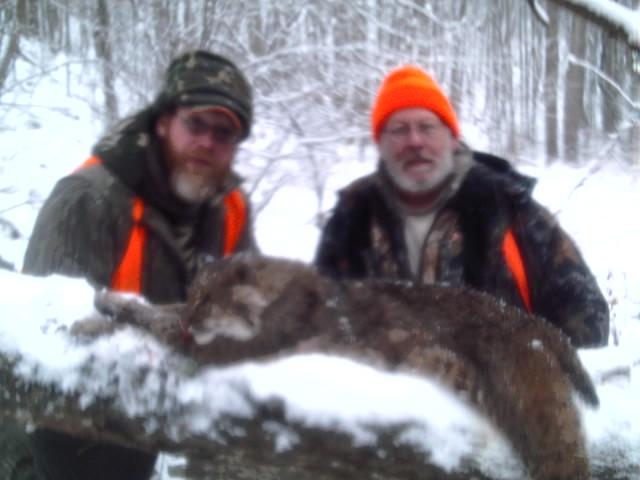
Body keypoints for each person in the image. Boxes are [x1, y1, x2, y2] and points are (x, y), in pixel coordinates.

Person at [8, 50, 257, 480]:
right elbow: (51, 353)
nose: (207, 142)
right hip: (67, 434)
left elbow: (253, 311)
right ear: (162, 122)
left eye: (224, 133)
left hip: (156, 420)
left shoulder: (229, 207)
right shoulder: (89, 200)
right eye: (195, 123)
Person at [314, 65, 609, 349]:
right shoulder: (351, 217)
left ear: (453, 138)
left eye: (427, 127)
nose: (415, 141)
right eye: (399, 129)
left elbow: (588, 322)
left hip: (496, 395)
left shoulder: (507, 208)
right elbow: (315, 325)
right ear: (380, 142)